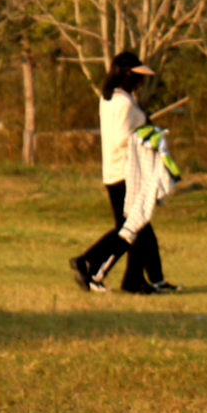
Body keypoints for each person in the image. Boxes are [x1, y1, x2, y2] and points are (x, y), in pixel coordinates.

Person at [68, 51, 180, 295]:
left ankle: (153, 280)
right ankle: (90, 263)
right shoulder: (123, 103)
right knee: (132, 229)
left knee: (140, 229)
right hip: (125, 173)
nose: (141, 81)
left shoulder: (111, 99)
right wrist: (149, 137)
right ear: (128, 75)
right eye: (138, 76)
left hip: (115, 171)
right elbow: (121, 138)